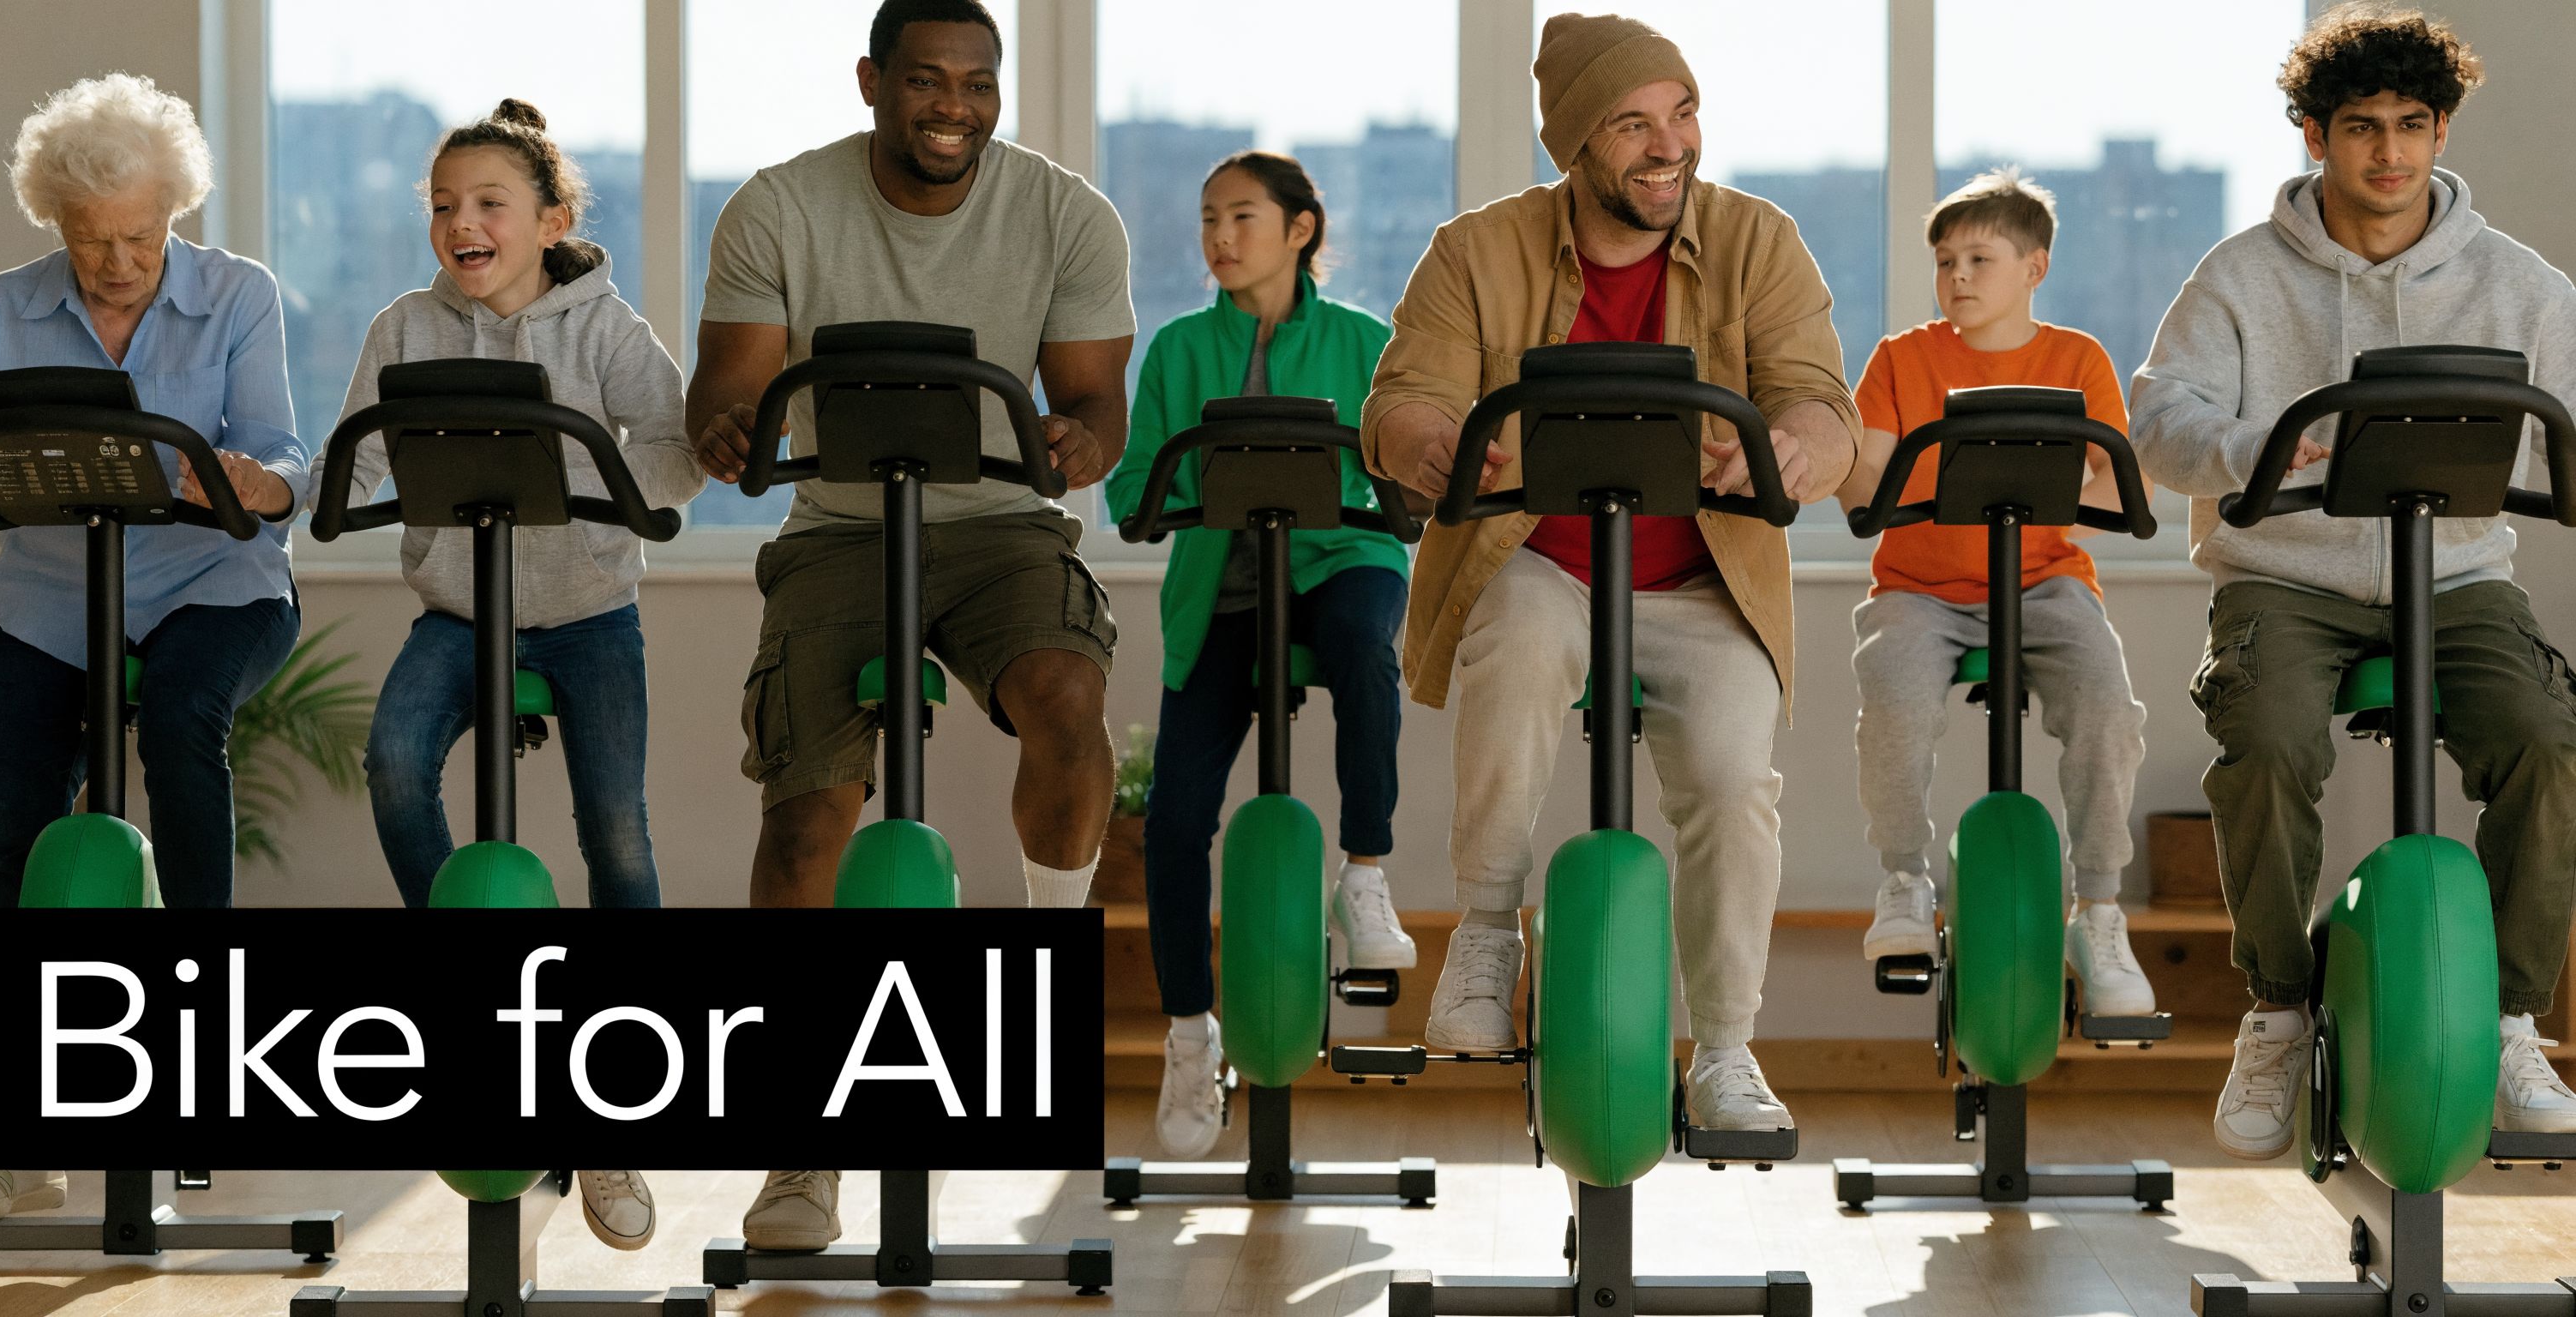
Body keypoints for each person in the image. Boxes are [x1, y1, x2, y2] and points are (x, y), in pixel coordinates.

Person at [686, 0, 1134, 1249]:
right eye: (928, 81)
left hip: (1000, 526)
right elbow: (730, 384)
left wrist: (1080, 440)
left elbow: (1098, 404)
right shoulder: (780, 205)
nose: (955, 108)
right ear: (872, 81)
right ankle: (800, 1148)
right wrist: (729, 427)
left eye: (978, 84)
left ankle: (1046, 976)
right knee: (804, 820)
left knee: (1067, 698)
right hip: (838, 526)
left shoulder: (1066, 213)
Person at [1362, 12, 1858, 1132]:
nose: (1668, 145)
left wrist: (1795, 448)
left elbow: (1821, 402)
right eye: (1633, 125)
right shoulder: (1476, 250)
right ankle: (1486, 933)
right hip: (1538, 558)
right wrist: (1431, 442)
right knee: (1521, 644)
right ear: (1576, 143)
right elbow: (1403, 400)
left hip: (1702, 579)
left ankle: (1725, 1049)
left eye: (1682, 114)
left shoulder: (1758, 240)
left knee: (1734, 778)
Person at [2129, 3, 2576, 1158]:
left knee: (2548, 737)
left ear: (2442, 132)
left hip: (2459, 574)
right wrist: (2266, 447)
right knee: (2270, 740)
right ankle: (2280, 1009)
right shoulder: (2239, 275)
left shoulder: (2520, 285)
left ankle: (2509, 1018)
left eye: (2412, 124)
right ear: (2315, 134)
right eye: (2362, 125)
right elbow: (2162, 425)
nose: (2389, 151)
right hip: (2288, 576)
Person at [311, 98, 703, 1248]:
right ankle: (478, 996)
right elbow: (358, 451)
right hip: (459, 610)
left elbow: (674, 448)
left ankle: (614, 1105)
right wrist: (327, 493)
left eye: (488, 203)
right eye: (443, 206)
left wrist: (602, 495)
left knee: (616, 833)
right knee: (395, 762)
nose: (461, 224)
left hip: (587, 614)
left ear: (550, 220)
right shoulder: (405, 325)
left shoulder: (604, 326)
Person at [0, 74, 307, 1219]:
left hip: (214, 586)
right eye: (91, 238)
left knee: (185, 723)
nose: (116, 262)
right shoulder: (5, 308)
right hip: (52, 597)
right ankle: (22, 1132)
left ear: (175, 210)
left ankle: (198, 1069)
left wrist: (259, 481)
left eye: (140, 237)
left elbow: (282, 454)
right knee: (9, 841)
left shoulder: (239, 293)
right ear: (55, 220)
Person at [1104, 151, 1416, 1159]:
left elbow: (1403, 477)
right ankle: (1190, 1035)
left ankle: (1364, 873)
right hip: (1226, 590)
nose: (1220, 237)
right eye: (1209, 219)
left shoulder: (1365, 342)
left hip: (1340, 563)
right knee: (1174, 825)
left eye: (1242, 216)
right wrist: (1200, 486)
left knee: (1364, 646)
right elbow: (1131, 489)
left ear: (1300, 229)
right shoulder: (1179, 349)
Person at [1842, 168, 2155, 1017]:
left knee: (2108, 707)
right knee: (1894, 699)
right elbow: (1868, 477)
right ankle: (1904, 881)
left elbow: (2119, 484)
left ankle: (2099, 909)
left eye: (1979, 258)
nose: (1958, 277)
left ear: (2034, 267)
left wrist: (2044, 494)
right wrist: (1850, 466)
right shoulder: (1902, 358)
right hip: (1919, 589)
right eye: (1945, 261)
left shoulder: (2076, 359)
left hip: (2045, 581)